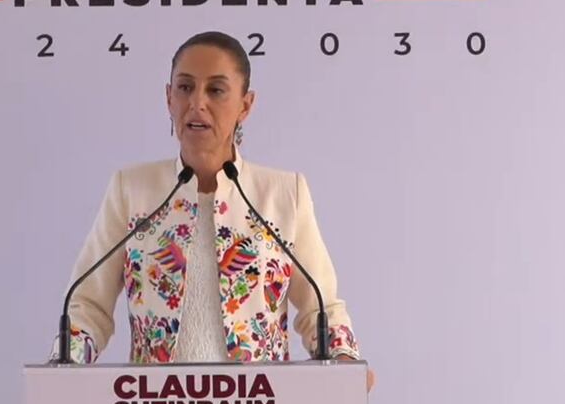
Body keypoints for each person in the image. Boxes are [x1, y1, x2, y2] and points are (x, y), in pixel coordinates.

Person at [55, 31, 369, 381]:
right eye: (185, 87)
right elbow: (88, 307)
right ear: (168, 98)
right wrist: (65, 366)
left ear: (245, 105)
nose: (197, 103)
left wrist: (343, 359)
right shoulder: (131, 189)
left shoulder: (283, 194)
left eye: (216, 90)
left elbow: (320, 307)